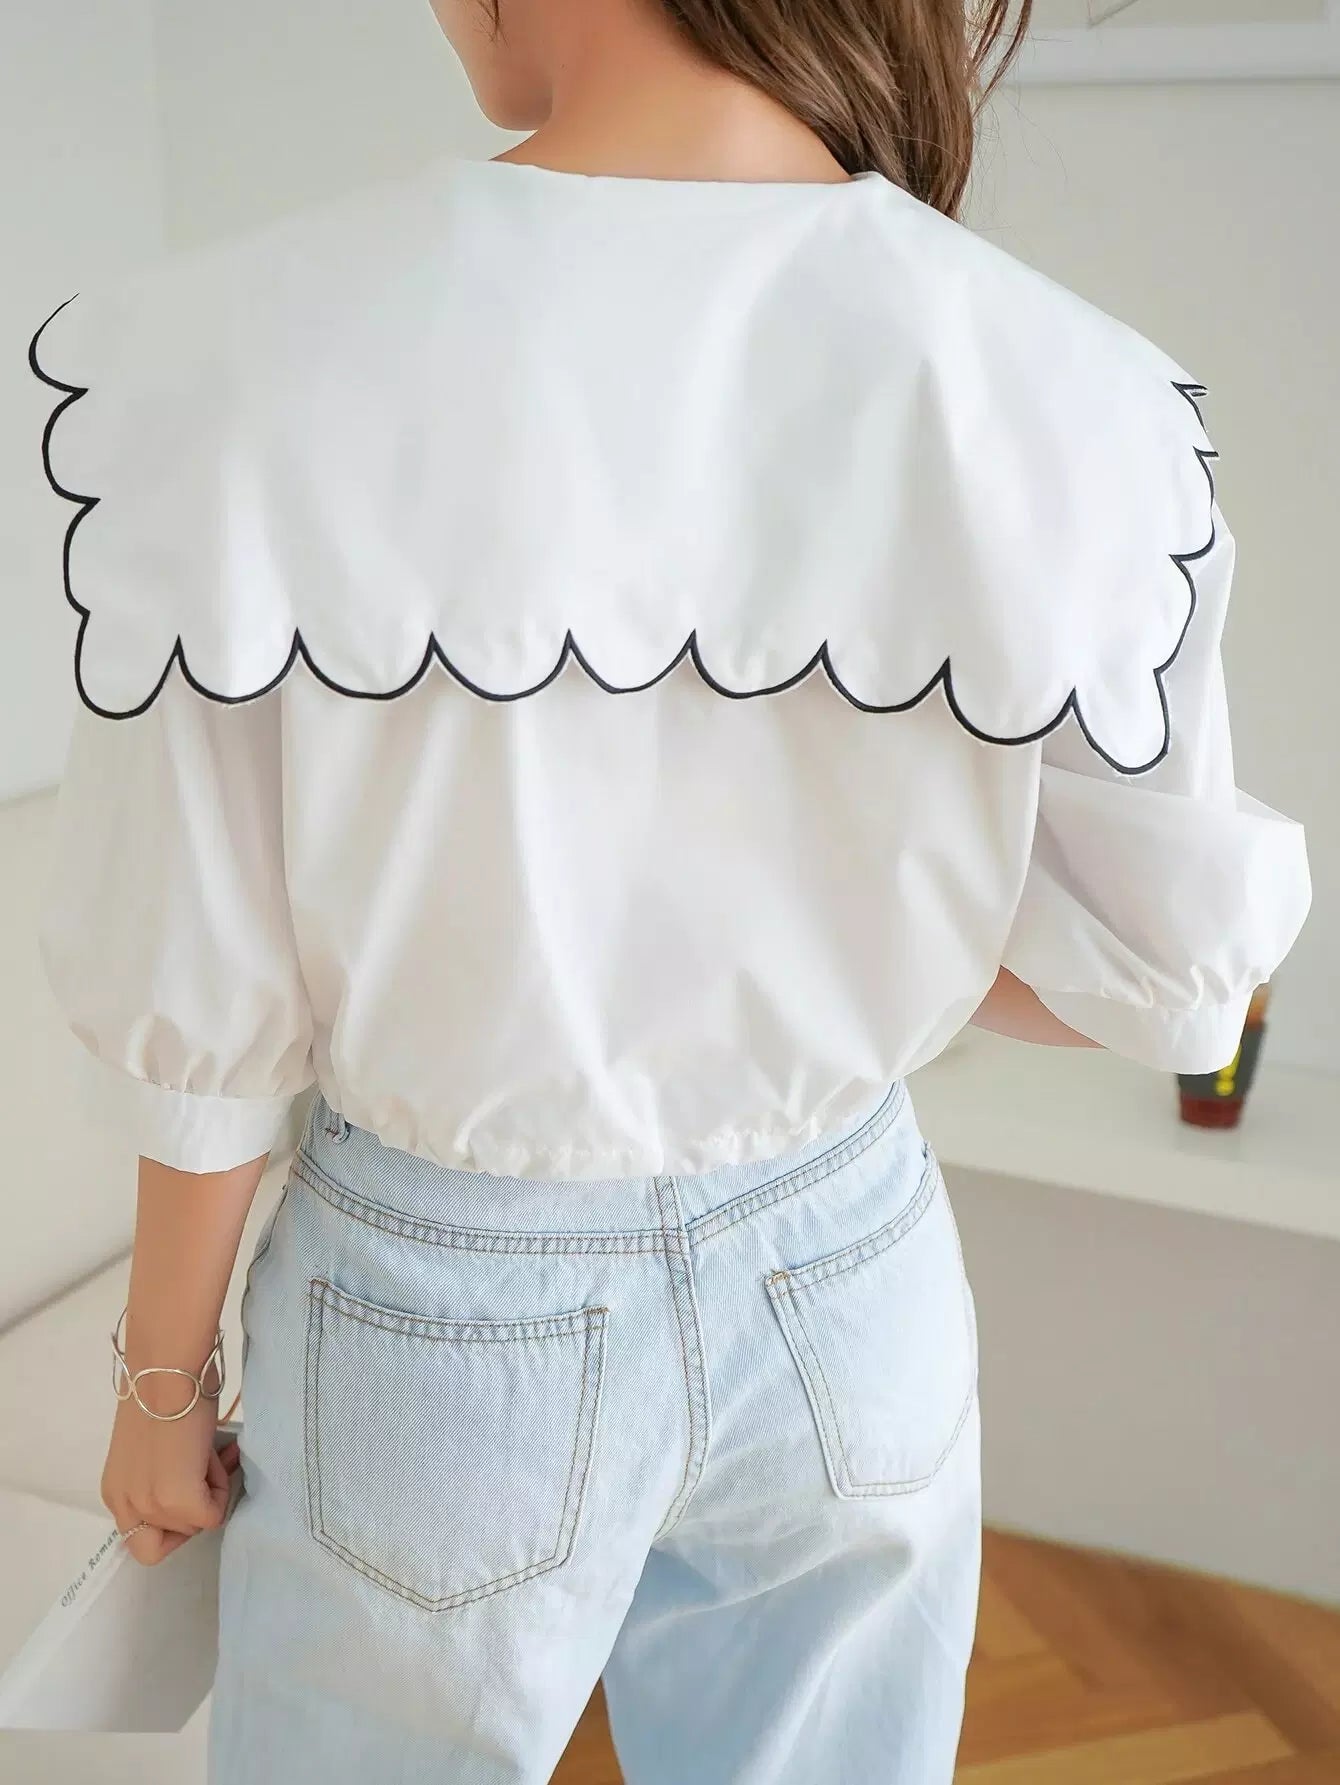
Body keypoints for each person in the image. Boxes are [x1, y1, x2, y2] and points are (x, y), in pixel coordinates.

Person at [28, 0, 1311, 1778]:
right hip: (851, 1266)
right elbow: (1170, 967)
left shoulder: (248, 356)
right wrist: (861, 952)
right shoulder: (1066, 386)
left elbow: (206, 981)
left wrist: (163, 1379)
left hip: (443, 1306)